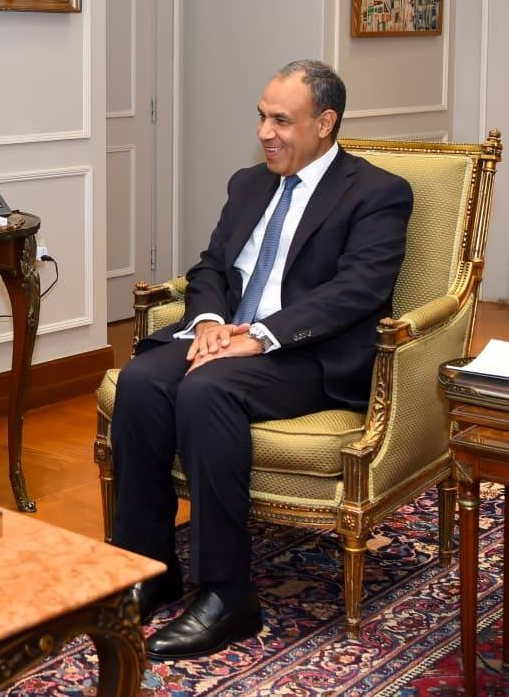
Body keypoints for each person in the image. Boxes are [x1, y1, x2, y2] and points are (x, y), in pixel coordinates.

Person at [111, 60, 413, 660]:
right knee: (141, 380)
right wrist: (210, 322)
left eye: (281, 120)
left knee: (207, 390)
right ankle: (150, 568)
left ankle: (227, 596)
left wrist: (264, 334)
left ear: (324, 123)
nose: (264, 133)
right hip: (228, 338)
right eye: (261, 116)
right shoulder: (248, 184)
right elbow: (211, 267)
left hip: (309, 354)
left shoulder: (377, 193)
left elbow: (359, 290)